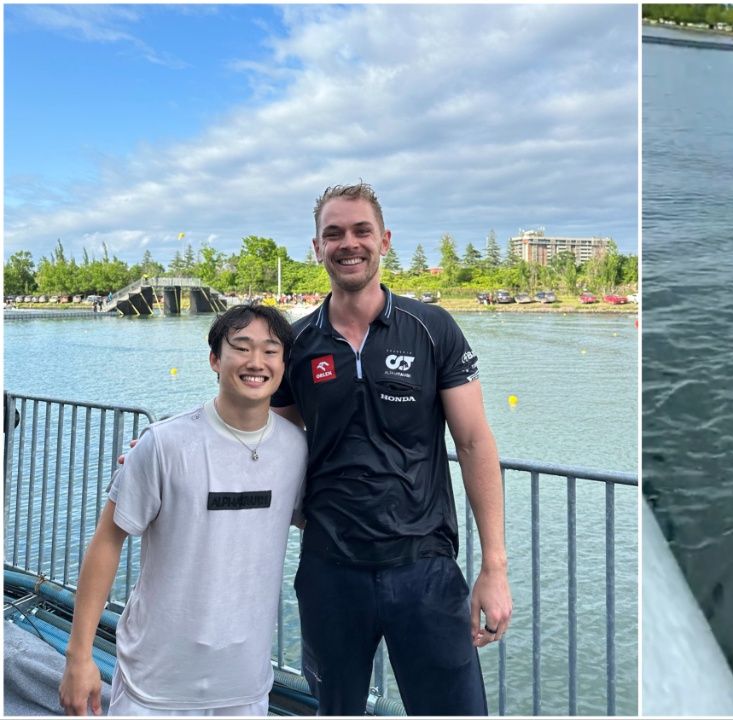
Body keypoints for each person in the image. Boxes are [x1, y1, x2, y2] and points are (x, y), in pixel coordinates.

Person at [270, 182, 512, 715]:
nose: (348, 243)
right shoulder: (298, 344)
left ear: (384, 240)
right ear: (317, 247)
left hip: (424, 569)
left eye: (361, 231)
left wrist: (494, 567)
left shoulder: (432, 329)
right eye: (333, 234)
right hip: (330, 569)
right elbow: (261, 435)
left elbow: (474, 442)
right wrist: (169, 445)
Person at [59, 304, 305, 716]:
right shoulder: (163, 444)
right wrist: (79, 656)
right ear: (214, 359)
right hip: (154, 685)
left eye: (270, 351)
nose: (255, 362)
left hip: (244, 686)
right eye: (241, 348)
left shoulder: (297, 450)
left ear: (284, 364)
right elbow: (107, 542)